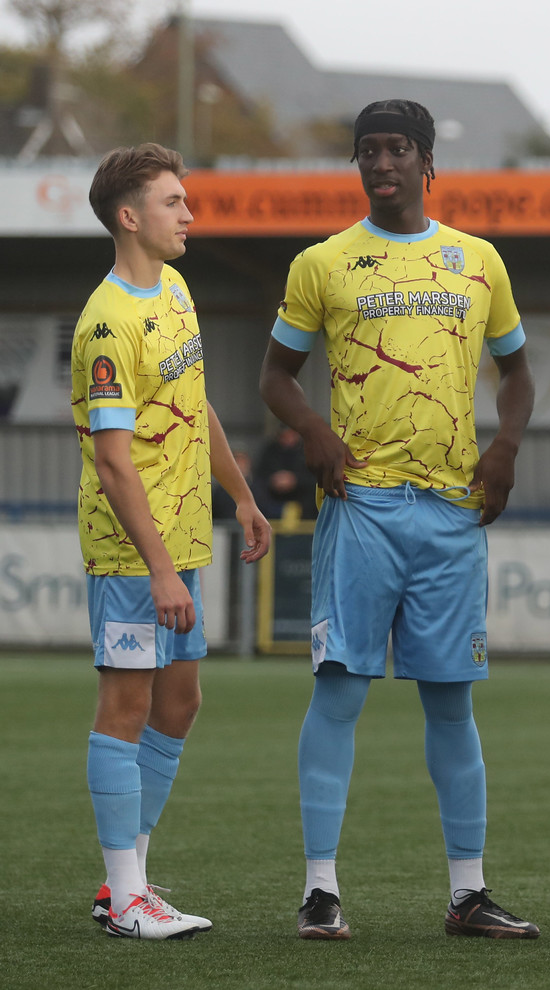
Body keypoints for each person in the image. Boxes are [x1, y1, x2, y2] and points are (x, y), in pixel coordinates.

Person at [259, 99, 538, 941]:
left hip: (452, 514)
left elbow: (517, 376)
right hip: (363, 508)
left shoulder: (478, 261)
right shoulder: (324, 263)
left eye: (397, 150)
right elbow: (277, 374)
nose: (382, 164)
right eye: (368, 151)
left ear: (426, 162)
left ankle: (468, 894)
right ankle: (319, 891)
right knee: (338, 692)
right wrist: (311, 429)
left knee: (451, 706)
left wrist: (507, 449)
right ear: (356, 165)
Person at [73, 143, 271, 939]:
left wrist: (243, 496)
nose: (190, 214)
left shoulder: (178, 290)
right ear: (130, 217)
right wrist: (159, 569)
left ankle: (131, 882)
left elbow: (198, 406)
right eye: (172, 202)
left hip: (187, 534)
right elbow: (114, 464)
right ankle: (124, 898)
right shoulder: (106, 324)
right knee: (125, 703)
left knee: (181, 701)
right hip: (132, 549)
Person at [254, 424, 317, 520]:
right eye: (285, 436)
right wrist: (274, 480)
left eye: (291, 435)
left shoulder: (308, 450)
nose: (288, 439)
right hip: (273, 500)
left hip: (303, 501)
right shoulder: (270, 450)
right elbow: (260, 474)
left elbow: (314, 477)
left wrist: (295, 480)